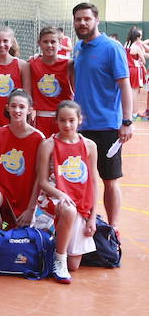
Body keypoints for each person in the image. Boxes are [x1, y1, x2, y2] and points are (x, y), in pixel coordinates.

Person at [71, 2, 132, 229]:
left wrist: (126, 121)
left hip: (107, 127)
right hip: (81, 127)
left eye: (87, 18)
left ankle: (113, 227)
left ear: (97, 20)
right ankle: (85, 223)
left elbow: (125, 85)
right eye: (78, 19)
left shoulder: (111, 48)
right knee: (82, 180)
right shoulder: (78, 47)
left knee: (110, 180)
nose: (82, 23)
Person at [36, 100, 99, 284]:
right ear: (56, 121)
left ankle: (57, 249)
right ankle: (59, 259)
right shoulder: (48, 145)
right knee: (68, 210)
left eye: (71, 120)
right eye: (62, 120)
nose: (67, 125)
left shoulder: (89, 146)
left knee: (75, 265)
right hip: (54, 197)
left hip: (80, 202)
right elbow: (42, 181)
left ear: (80, 120)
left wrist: (93, 217)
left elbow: (94, 183)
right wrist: (60, 194)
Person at [0, 89, 44, 228]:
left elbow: (40, 177)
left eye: (22, 107)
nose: (17, 110)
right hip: (4, 191)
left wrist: (31, 209)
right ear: (7, 107)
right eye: (13, 106)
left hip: (26, 194)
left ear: (29, 110)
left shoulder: (39, 138)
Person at [29, 26, 73, 136]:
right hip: (41, 118)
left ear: (60, 43)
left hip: (64, 117)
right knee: (42, 151)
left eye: (53, 42)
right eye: (45, 42)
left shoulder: (69, 64)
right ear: (39, 43)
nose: (49, 45)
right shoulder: (32, 63)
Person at [124, 26, 146, 121]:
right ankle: (134, 113)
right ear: (137, 37)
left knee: (128, 91)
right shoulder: (136, 47)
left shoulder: (126, 44)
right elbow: (143, 61)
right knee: (134, 92)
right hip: (135, 70)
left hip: (127, 69)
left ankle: (128, 112)